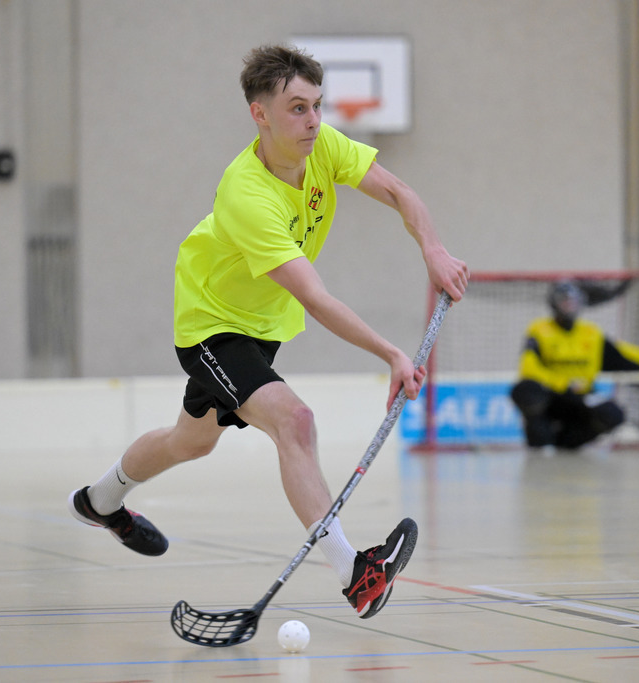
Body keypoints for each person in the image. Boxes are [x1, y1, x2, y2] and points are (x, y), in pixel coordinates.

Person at [69, 44, 469, 620]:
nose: (312, 122)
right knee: (295, 420)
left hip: (262, 324)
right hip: (211, 325)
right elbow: (315, 296)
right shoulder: (246, 194)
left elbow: (401, 194)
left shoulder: (323, 147)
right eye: (297, 109)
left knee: (193, 440)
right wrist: (390, 353)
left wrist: (432, 247)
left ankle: (99, 501)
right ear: (260, 113)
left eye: (317, 106)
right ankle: (353, 572)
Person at [509, 280, 639, 450]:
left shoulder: (591, 333)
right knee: (525, 391)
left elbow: (622, 352)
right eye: (564, 301)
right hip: (551, 394)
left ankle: (566, 443)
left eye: (572, 302)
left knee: (613, 415)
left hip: (581, 395)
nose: (569, 306)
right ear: (554, 303)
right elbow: (528, 366)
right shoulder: (539, 329)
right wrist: (561, 384)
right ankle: (541, 443)